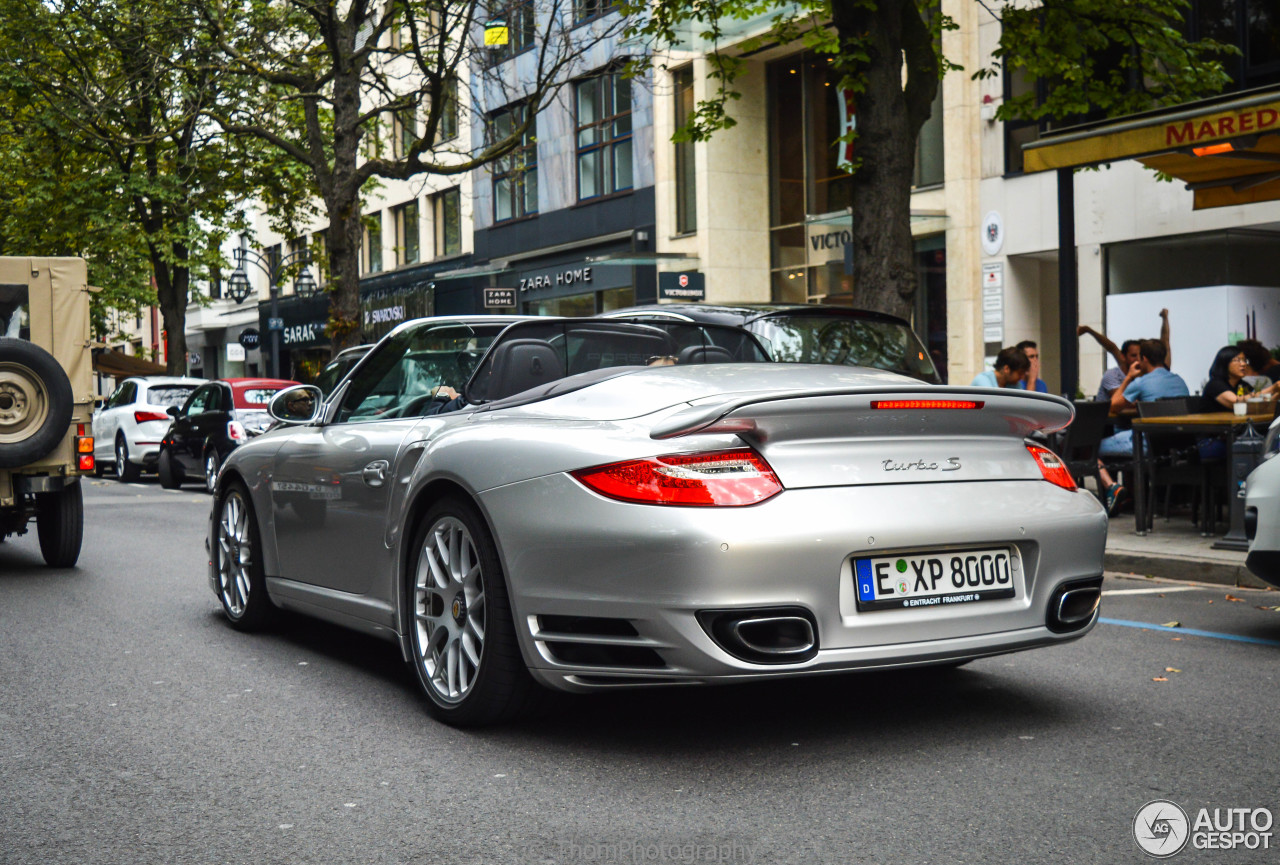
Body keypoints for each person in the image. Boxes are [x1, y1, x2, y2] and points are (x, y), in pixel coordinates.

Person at [1094, 339, 1190, 514]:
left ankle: (1113, 488)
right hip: (1174, 446)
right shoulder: (1180, 381)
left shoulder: (1141, 382)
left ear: (1143, 358)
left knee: (1090, 449)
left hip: (1147, 444)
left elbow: (1113, 404)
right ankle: (1132, 496)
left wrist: (1129, 377)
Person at [1079, 308, 1172, 401]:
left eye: (1140, 356)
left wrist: (1165, 318)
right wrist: (1089, 330)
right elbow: (1112, 347)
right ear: (1124, 357)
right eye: (1133, 355)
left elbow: (1165, 345)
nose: (1137, 359)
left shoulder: (1149, 372)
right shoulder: (1115, 372)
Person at [1202, 346, 1280, 413]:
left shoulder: (1242, 385)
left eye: (1244, 360)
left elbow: (1257, 405)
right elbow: (1236, 402)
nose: (1243, 364)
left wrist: (1278, 393)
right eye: (1237, 360)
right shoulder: (1215, 384)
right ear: (1225, 363)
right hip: (1213, 428)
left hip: (1238, 426)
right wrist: (1272, 389)